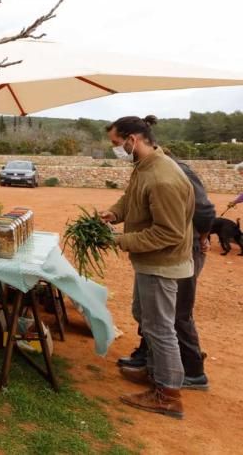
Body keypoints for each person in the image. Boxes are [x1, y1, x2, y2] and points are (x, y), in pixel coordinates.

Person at [100, 115, 194, 419]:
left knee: (160, 328)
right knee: (145, 317)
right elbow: (130, 199)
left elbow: (168, 233)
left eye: (116, 143)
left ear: (132, 140)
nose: (115, 149)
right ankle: (155, 373)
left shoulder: (163, 178)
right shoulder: (144, 167)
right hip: (150, 261)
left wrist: (120, 240)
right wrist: (113, 215)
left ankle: (168, 395)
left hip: (161, 264)